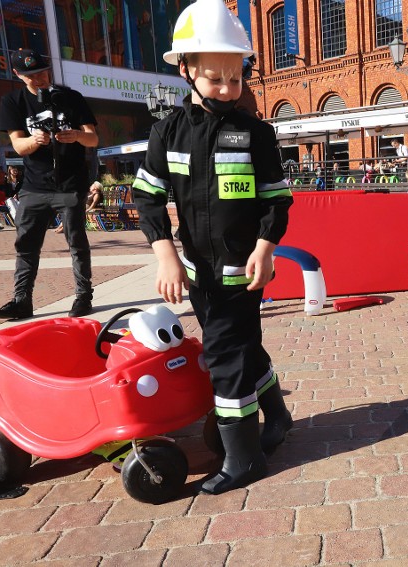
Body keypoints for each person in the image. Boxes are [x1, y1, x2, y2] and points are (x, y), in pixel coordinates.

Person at [131, 0, 295, 495]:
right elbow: (148, 196)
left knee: (225, 358)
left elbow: (277, 201)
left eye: (236, 77)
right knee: (243, 346)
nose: (227, 88)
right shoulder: (168, 132)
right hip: (197, 272)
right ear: (186, 71)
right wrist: (165, 256)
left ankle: (243, 459)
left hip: (242, 273)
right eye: (214, 78)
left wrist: (265, 250)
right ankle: (279, 419)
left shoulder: (256, 135)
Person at [0, 48, 99, 320]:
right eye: (32, 75)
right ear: (19, 75)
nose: (40, 79)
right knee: (26, 245)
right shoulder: (13, 102)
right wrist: (36, 141)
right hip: (34, 187)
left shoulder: (71, 98)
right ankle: (22, 300)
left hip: (70, 185)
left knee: (77, 243)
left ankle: (83, 296)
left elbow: (93, 139)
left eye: (43, 72)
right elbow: (18, 145)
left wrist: (77, 134)